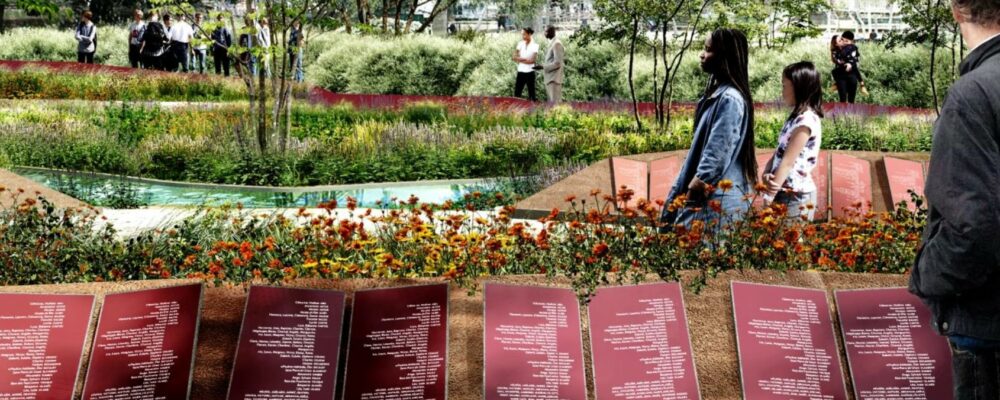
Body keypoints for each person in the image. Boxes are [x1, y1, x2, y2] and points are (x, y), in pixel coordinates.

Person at [909, 0, 1000, 398]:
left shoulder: (973, 93)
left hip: (987, 328)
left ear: (956, 10)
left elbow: (973, 226)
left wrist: (926, 276)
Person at [659, 28, 757, 229]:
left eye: (708, 50)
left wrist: (693, 192)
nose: (702, 55)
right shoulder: (718, 95)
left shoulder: (729, 99)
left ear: (725, 56)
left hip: (712, 202)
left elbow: (716, 155)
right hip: (710, 200)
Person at [761, 61, 824, 222]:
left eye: (784, 86)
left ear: (798, 87)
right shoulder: (795, 117)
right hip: (783, 191)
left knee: (788, 238)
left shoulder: (806, 121)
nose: (782, 92)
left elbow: (788, 162)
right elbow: (780, 152)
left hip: (796, 197)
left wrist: (768, 197)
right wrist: (767, 173)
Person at [833, 31, 866, 103]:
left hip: (851, 75)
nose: (844, 42)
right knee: (842, 98)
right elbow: (837, 63)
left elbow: (855, 64)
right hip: (841, 77)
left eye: (847, 41)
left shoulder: (853, 48)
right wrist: (845, 63)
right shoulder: (837, 50)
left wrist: (850, 64)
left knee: (851, 99)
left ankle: (850, 112)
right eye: (843, 40)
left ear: (851, 41)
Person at [512, 27, 539, 101]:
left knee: (532, 94)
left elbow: (532, 61)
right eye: (522, 34)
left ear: (529, 34)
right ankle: (516, 107)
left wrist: (520, 59)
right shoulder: (520, 44)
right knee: (517, 93)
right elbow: (514, 57)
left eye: (524, 34)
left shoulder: (535, 45)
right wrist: (525, 60)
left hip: (530, 72)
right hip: (520, 71)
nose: (522, 36)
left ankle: (533, 108)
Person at [540, 26, 564, 104]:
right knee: (552, 104)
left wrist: (543, 67)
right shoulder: (553, 43)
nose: (544, 33)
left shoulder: (557, 44)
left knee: (555, 104)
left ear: (551, 32)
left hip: (554, 79)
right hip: (550, 79)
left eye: (546, 31)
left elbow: (557, 64)